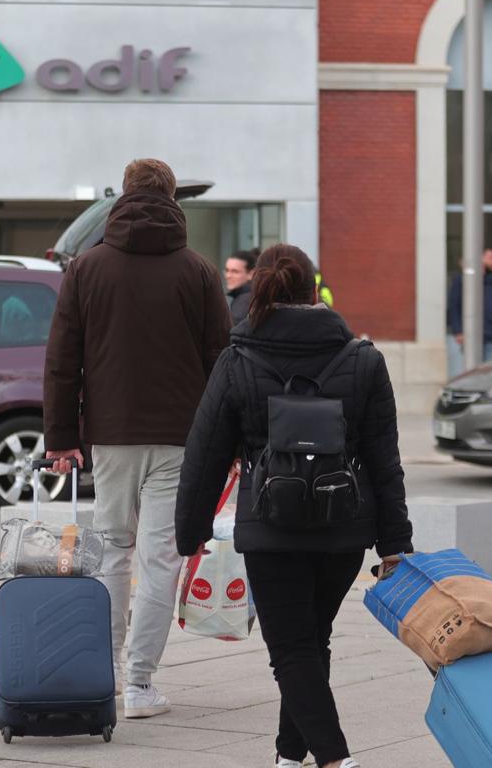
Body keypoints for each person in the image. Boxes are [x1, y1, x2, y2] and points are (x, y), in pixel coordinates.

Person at [176, 244, 413, 768]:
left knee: (292, 649)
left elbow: (205, 453)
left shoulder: (235, 361)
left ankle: (335, 759)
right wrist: (395, 543)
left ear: (259, 291)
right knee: (310, 640)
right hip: (343, 528)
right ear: (314, 292)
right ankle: (288, 754)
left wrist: (189, 532)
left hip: (270, 527)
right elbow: (383, 459)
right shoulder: (363, 361)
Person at [44, 158, 231, 718]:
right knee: (161, 558)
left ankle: (102, 670)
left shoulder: (86, 267)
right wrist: (231, 441)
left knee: (112, 553)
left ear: (124, 196)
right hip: (181, 437)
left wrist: (61, 437)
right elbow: (222, 363)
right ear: (172, 199)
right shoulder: (198, 270)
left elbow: (62, 359)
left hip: (112, 436)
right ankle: (141, 684)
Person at [447, 248, 492, 362]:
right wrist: (458, 331)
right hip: (468, 333)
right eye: (491, 258)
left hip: (489, 332)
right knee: (471, 365)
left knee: (488, 364)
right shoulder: (462, 280)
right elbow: (454, 306)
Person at [226, 249, 258, 326]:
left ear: (251, 274)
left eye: (235, 271)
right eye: (227, 270)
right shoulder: (248, 296)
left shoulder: (244, 301)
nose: (228, 276)